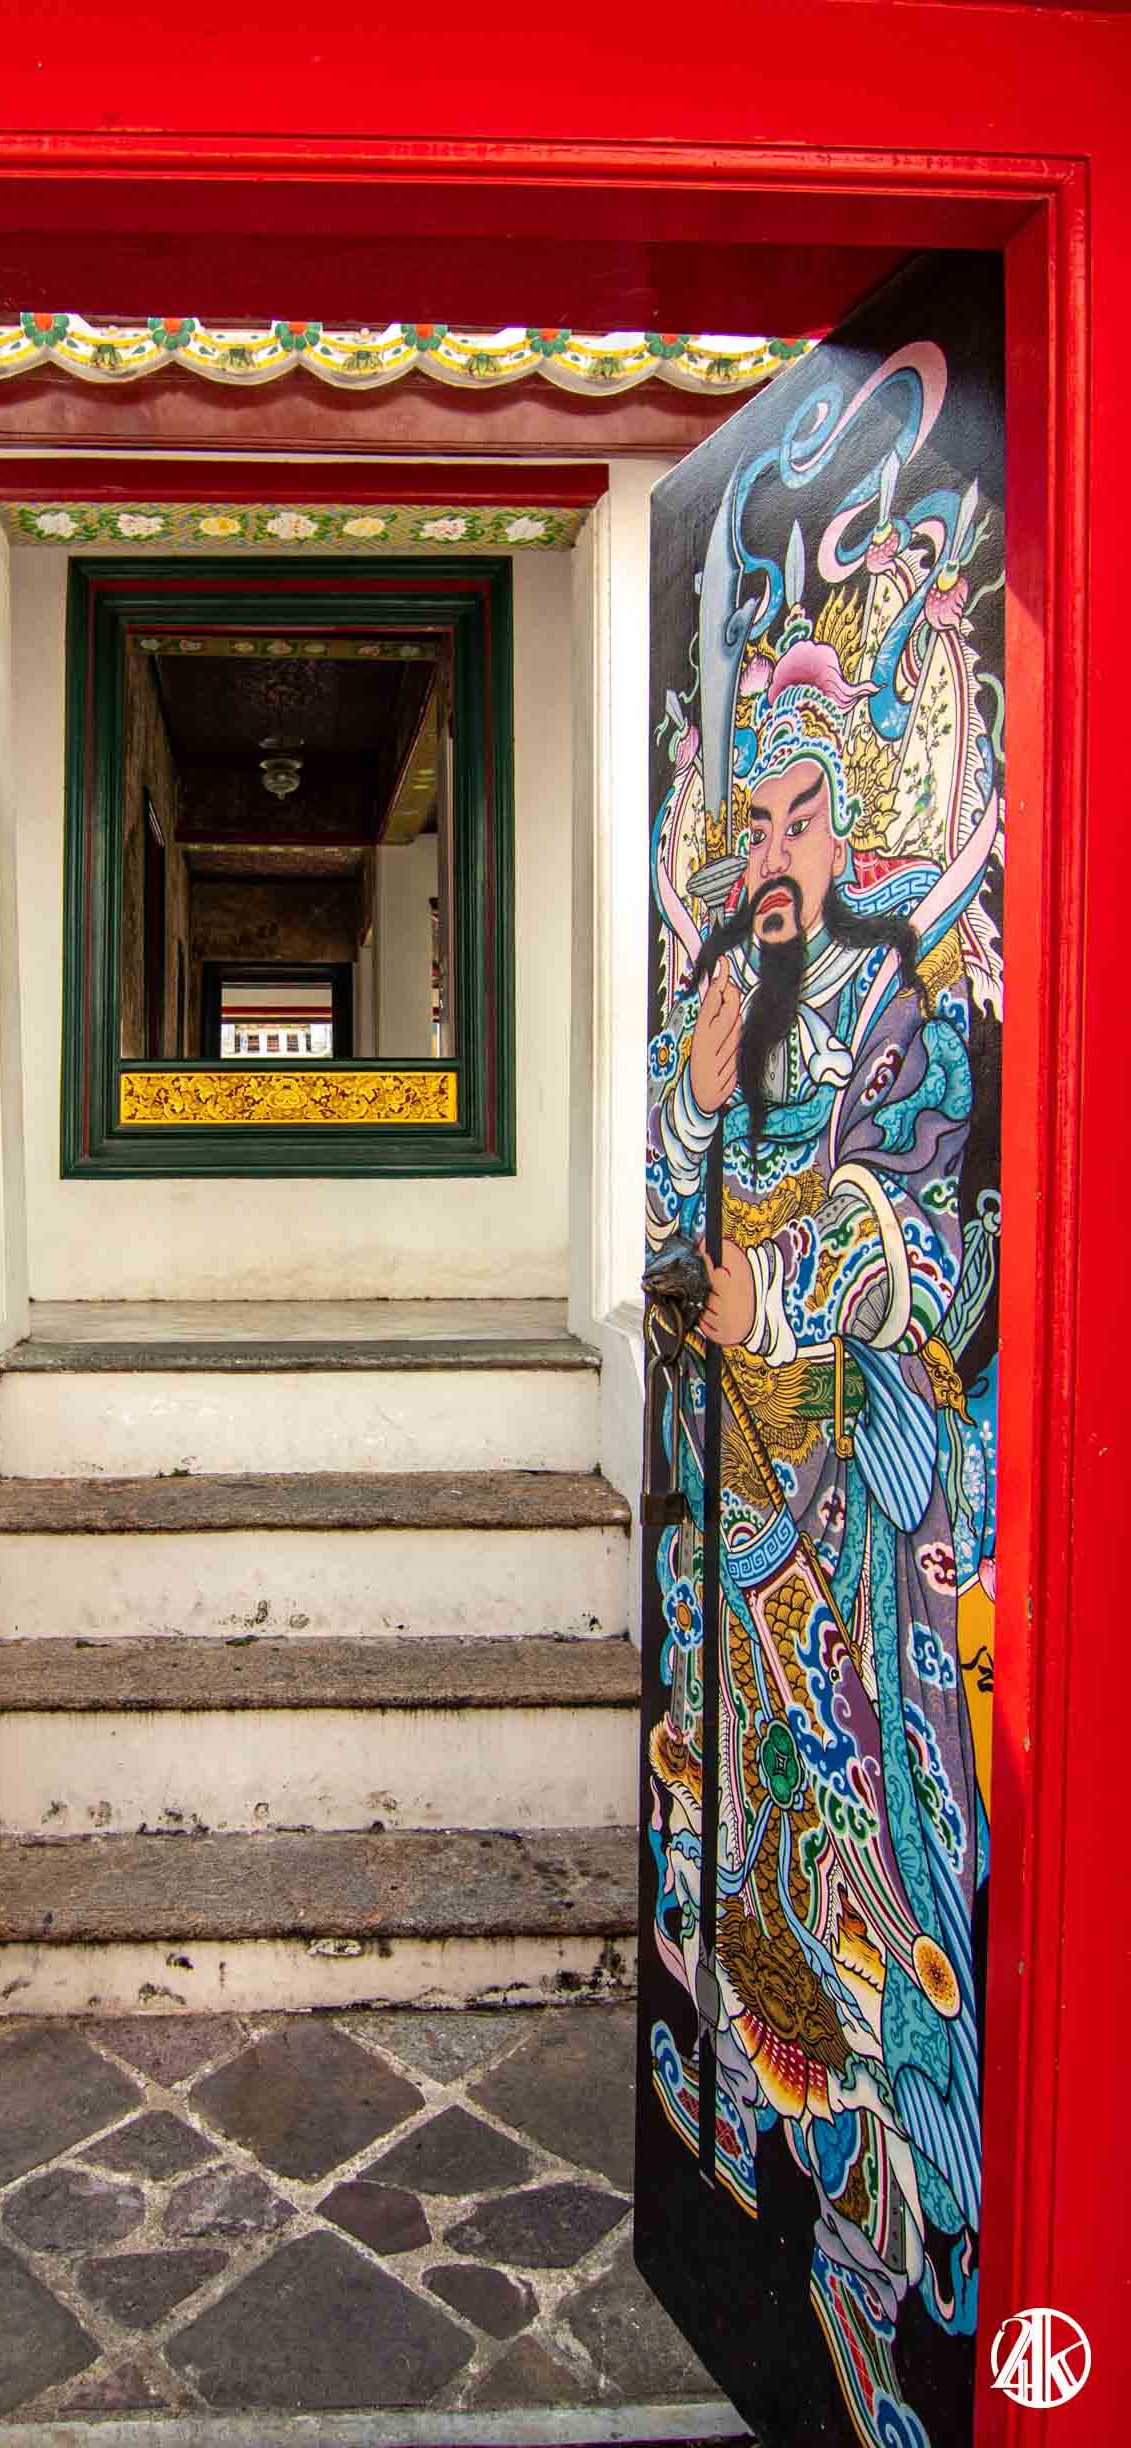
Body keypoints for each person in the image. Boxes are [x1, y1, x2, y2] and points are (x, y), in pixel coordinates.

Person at [646, 647, 986, 2448]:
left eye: (800, 822)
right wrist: (695, 1108)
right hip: (728, 1508)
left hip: (851, 1517)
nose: (772, 858)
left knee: (864, 1853)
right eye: (754, 829)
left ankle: (886, 2228)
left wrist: (775, 1295)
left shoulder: (902, 1010)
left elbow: (929, 1240)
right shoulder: (725, 1004)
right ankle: (759, 2191)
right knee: (746, 1854)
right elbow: (658, 1227)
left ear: (851, 836)